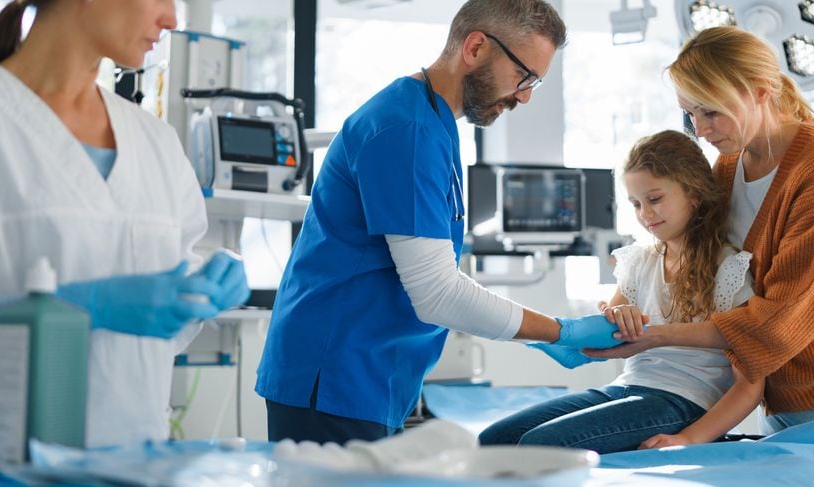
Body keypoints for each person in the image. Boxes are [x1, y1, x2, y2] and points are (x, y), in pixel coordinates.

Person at [256, 0, 625, 445]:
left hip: (369, 374)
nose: (525, 95)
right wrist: (559, 331)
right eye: (523, 76)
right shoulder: (406, 130)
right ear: (475, 48)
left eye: (535, 83)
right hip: (335, 375)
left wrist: (542, 337)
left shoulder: (432, 122)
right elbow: (437, 292)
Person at [585, 26, 814, 450]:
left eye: (711, 112)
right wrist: (627, 298)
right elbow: (700, 263)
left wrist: (657, 335)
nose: (700, 130)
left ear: (761, 91)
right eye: (690, 114)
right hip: (778, 393)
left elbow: (779, 322)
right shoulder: (729, 167)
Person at [0, 0, 250, 457]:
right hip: (2, 466)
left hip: (137, 460)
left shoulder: (156, 142)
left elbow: (169, 298)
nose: (172, 20)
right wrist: (80, 308)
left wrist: (201, 291)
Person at [479, 130, 760, 453]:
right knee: (493, 440)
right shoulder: (639, 262)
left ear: (693, 193)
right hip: (626, 387)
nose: (645, 215)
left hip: (686, 401)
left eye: (655, 199)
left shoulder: (727, 268)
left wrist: (690, 438)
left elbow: (750, 386)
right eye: (636, 204)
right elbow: (609, 336)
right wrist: (611, 318)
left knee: (539, 445)